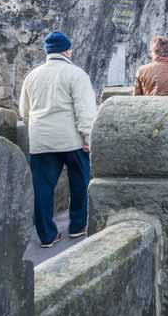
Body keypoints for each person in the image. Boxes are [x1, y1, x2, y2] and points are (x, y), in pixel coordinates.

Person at [18, 31, 96, 248]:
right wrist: (88, 137)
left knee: (42, 187)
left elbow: (23, 111)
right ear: (67, 50)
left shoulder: (32, 76)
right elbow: (85, 110)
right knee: (80, 182)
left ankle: (47, 235)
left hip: (40, 140)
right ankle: (78, 226)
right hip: (71, 140)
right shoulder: (76, 74)